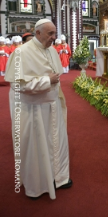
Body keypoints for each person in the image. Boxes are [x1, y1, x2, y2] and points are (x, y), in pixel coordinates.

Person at [5, 19, 72, 200]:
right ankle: (39, 184)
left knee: (57, 142)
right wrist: (46, 81)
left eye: (54, 33)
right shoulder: (20, 53)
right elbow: (17, 85)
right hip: (34, 110)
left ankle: (59, 177)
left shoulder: (51, 50)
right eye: (50, 34)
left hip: (53, 106)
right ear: (38, 33)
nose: (53, 37)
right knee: (37, 147)